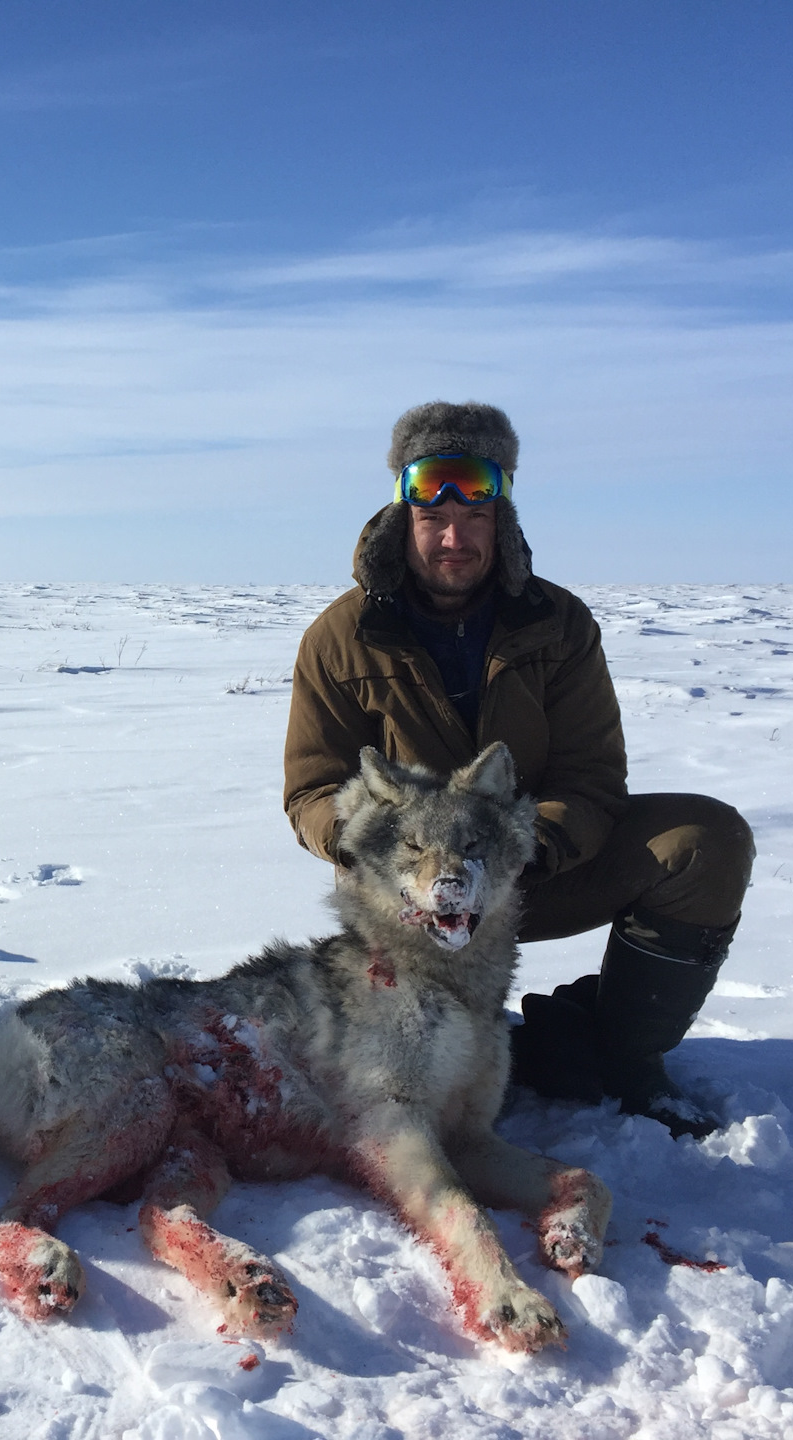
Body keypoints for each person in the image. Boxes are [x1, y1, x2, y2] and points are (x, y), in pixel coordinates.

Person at [282, 400, 753, 1137]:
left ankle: (624, 1055)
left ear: (501, 514)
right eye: (432, 514)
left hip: (523, 873)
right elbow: (311, 791)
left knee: (704, 839)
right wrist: (365, 842)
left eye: (474, 514)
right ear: (402, 511)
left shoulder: (558, 623)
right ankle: (444, 1055)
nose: (452, 535)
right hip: (408, 898)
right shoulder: (341, 638)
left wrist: (517, 855)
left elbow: (592, 780)